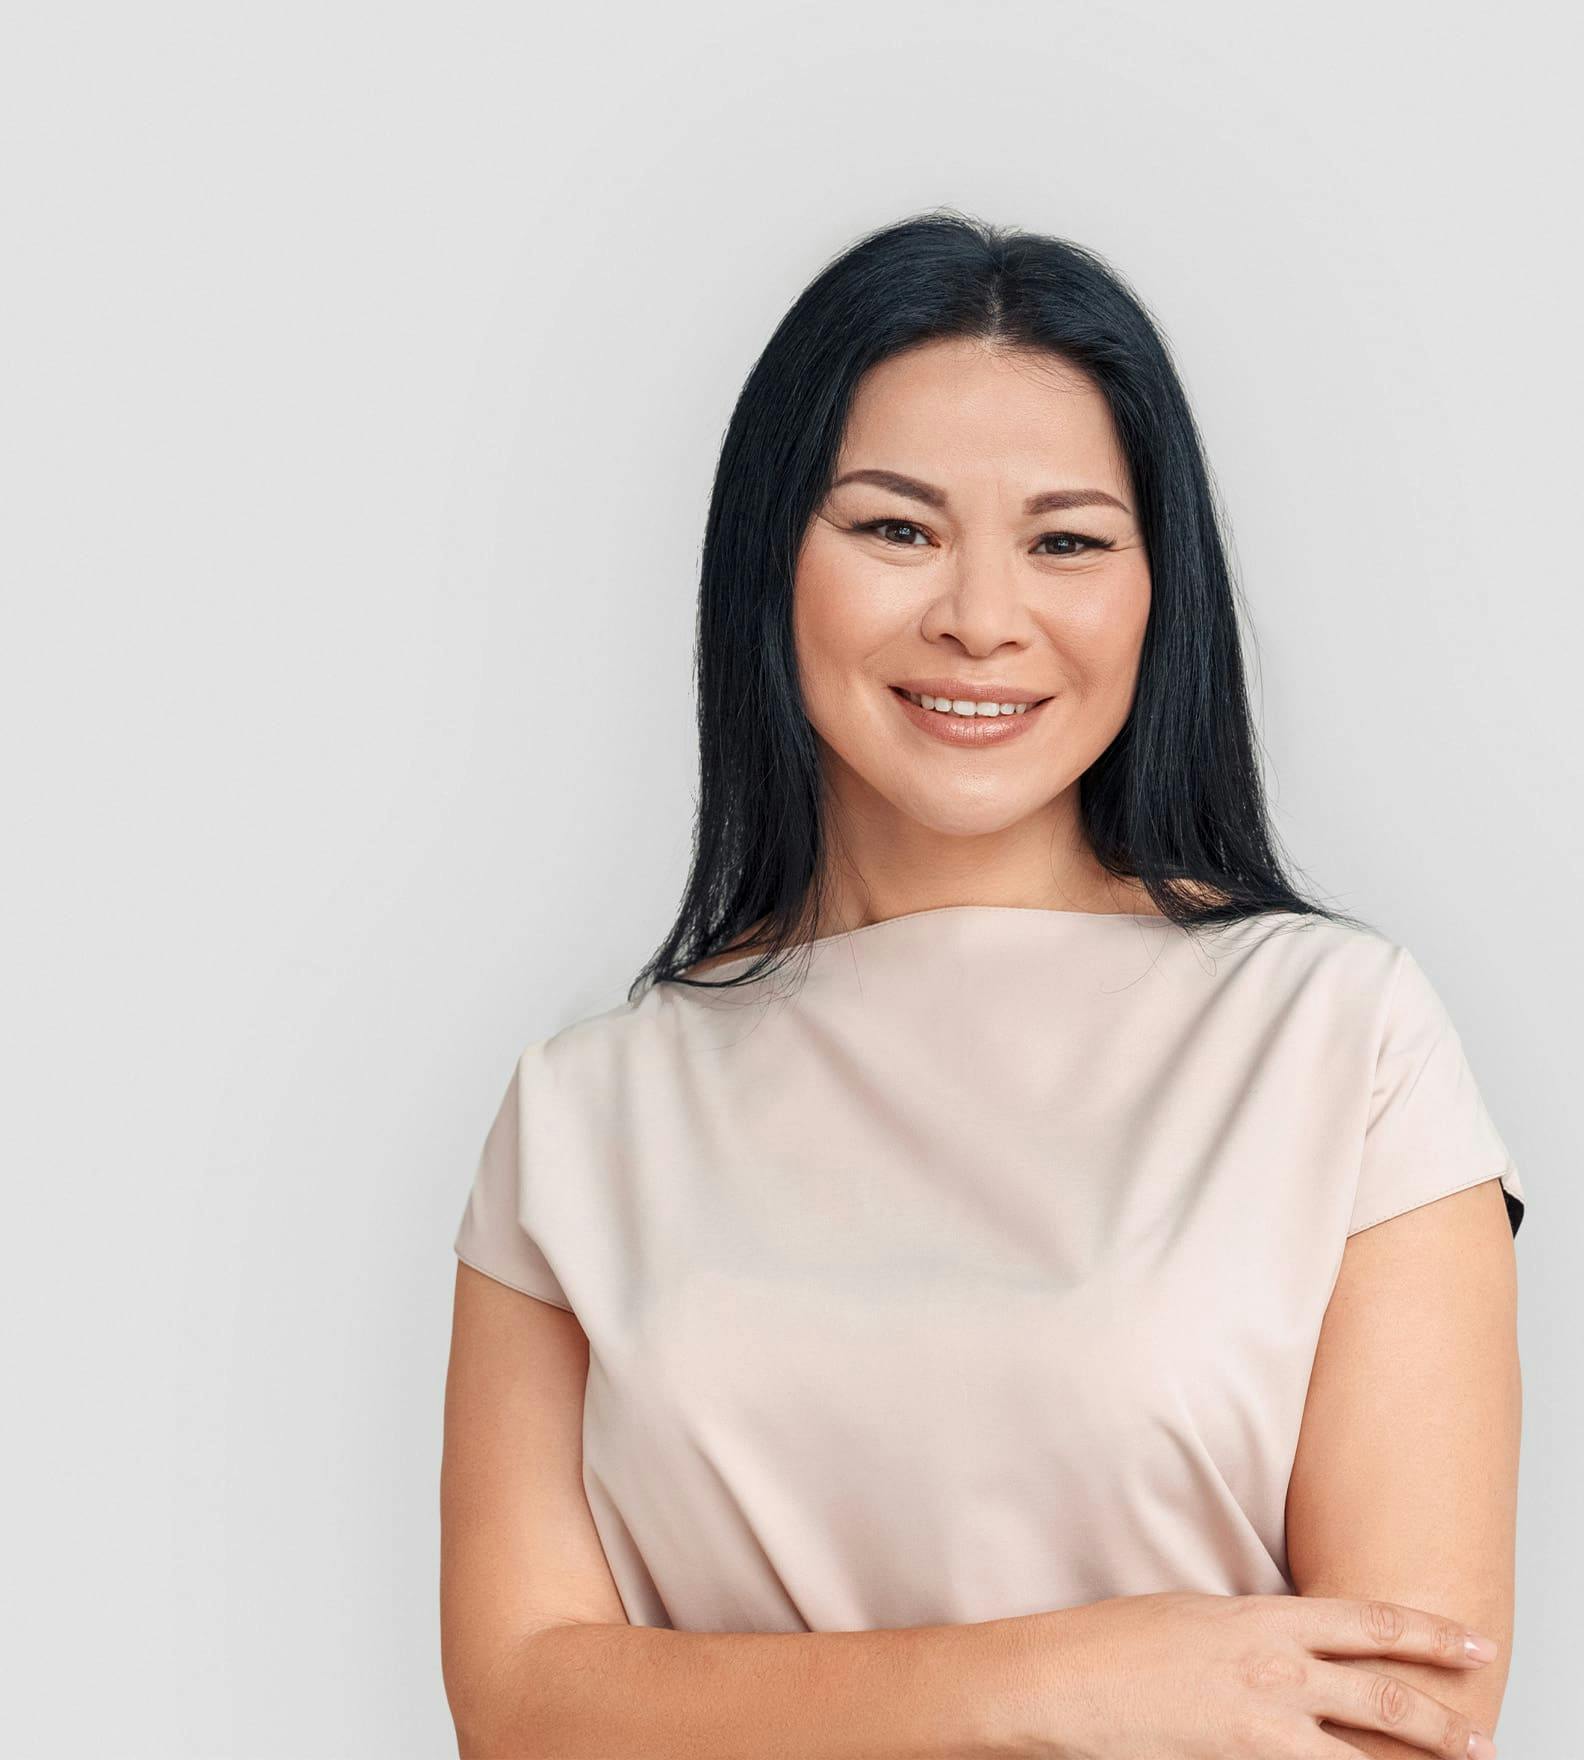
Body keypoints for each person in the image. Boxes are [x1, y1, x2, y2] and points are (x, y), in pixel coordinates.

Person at [441, 209, 1527, 1760]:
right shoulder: (581, 1116)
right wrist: (1063, 1686)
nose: (981, 616)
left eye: (1069, 540)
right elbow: (525, 1709)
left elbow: (1406, 1713)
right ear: (771, 559)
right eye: (896, 528)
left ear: (1164, 594)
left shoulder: (1340, 1041)